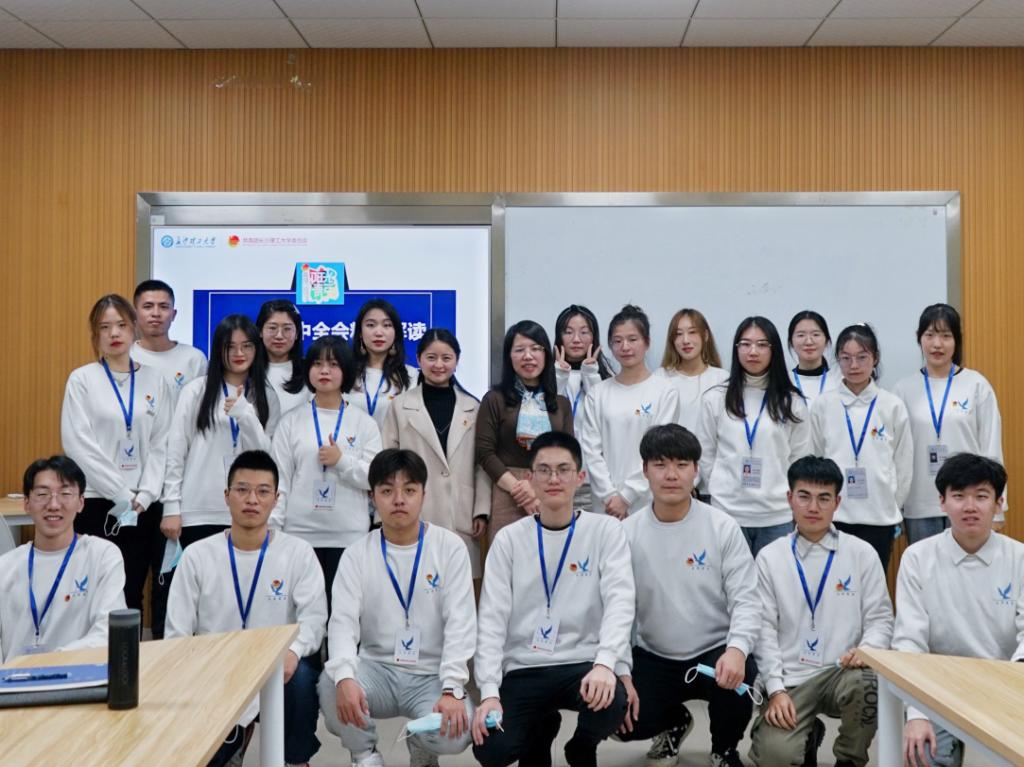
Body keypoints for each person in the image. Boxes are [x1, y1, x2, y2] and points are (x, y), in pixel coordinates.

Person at [473, 431, 634, 767]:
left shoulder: (605, 531)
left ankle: (582, 746)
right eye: (544, 470)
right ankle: (541, 727)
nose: (554, 479)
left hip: (582, 663)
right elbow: (491, 619)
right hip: (524, 666)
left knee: (614, 702)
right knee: (491, 749)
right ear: (530, 478)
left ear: (580, 477)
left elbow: (620, 603)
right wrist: (488, 692)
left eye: (563, 470)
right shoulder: (509, 540)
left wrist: (610, 665)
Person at [166, 449, 326, 767]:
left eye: (263, 491)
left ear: (276, 499)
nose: (252, 499)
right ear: (227, 496)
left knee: (302, 678)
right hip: (215, 668)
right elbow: (177, 632)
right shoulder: (197, 555)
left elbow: (314, 619)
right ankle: (233, 742)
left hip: (275, 666)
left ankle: (295, 760)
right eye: (242, 489)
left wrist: (293, 651)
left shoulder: (298, 553)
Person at [318, 449, 476, 767]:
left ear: (423, 495)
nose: (399, 500)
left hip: (431, 674)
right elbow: (342, 624)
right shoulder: (356, 554)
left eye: (409, 490)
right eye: (387, 491)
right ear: (373, 497)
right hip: (376, 670)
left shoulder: (450, 547)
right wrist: (346, 678)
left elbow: (460, 623)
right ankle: (365, 754)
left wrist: (451, 688)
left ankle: (422, 745)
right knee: (331, 684)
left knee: (456, 731)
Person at [616, 425, 760, 767]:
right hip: (655, 654)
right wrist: (619, 669)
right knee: (613, 712)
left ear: (696, 470)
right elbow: (615, 611)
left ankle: (724, 749)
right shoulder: (625, 533)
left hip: (713, 651)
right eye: (660, 464)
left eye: (682, 465)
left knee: (739, 677)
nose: (671, 475)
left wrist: (737, 650)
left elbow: (747, 600)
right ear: (644, 470)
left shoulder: (722, 526)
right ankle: (673, 723)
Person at [749, 456, 894, 767]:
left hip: (842, 672)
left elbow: (881, 619)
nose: (813, 507)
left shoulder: (861, 553)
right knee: (775, 758)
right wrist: (775, 690)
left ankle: (849, 759)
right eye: (804, 496)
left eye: (824, 498)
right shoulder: (770, 558)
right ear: (790, 498)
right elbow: (763, 630)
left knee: (869, 681)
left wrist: (866, 650)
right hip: (791, 679)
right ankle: (808, 735)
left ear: (837, 502)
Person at [893, 453, 1023, 767]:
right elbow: (909, 642)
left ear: (999, 503)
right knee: (921, 758)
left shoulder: (1019, 559)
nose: (969, 506)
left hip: (1004, 685)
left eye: (981, 496)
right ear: (942, 502)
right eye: (959, 496)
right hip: (939, 689)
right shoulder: (917, 558)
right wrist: (916, 713)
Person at [60, 294, 172, 622]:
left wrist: (146, 494)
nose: (114, 333)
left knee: (133, 591)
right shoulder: (82, 379)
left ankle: (130, 658)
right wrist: (120, 493)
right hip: (98, 502)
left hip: (144, 505)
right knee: (95, 592)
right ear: (95, 334)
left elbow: (162, 442)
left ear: (133, 327)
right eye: (104, 327)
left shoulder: (155, 379)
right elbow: (78, 444)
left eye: (121, 325)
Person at [271, 335, 381, 607]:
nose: (324, 371)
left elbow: (375, 478)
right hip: (299, 534)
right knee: (301, 614)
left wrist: (341, 461)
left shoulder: (364, 423)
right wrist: (274, 528)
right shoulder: (291, 421)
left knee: (344, 612)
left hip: (349, 535)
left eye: (333, 364)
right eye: (317, 364)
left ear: (347, 370)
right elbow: (280, 481)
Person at [162, 314, 280, 550]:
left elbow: (265, 457)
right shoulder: (197, 391)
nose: (239, 353)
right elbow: (176, 451)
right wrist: (171, 506)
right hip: (198, 509)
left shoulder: (266, 396)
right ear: (218, 349)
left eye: (246, 346)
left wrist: (245, 415)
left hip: (248, 509)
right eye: (230, 347)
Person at [697, 316, 812, 556]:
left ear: (774, 350)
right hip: (728, 512)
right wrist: (722, 488)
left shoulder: (792, 402)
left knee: (774, 580)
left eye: (762, 344)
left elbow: (800, 459)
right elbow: (706, 455)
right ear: (736, 349)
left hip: (776, 514)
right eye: (745, 344)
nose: (753, 351)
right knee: (730, 580)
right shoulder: (716, 398)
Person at [892, 304, 1006, 544]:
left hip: (969, 500)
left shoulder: (976, 385)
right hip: (920, 503)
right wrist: (896, 504)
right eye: (930, 335)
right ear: (919, 338)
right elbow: (897, 455)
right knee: (926, 566)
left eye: (946, 336)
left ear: (956, 340)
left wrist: (998, 506)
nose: (937, 344)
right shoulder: (903, 389)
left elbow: (991, 446)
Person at [382, 329, 490, 578]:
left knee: (458, 584)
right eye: (431, 357)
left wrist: (481, 510)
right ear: (419, 360)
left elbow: (481, 464)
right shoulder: (400, 406)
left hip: (462, 513)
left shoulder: (473, 407)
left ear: (457, 361)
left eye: (446, 358)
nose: (439, 365)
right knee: (414, 581)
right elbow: (387, 462)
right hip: (415, 510)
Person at [0, 456, 126, 662]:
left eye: (65, 494)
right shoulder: (5, 567)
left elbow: (109, 631)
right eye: (42, 494)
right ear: (26, 503)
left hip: (79, 673)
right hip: (15, 678)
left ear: (81, 503)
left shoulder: (102, 556)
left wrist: (51, 661)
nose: (54, 504)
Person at [810, 324, 913, 569]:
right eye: (846, 358)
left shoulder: (892, 405)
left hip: (879, 517)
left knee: (874, 585)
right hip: (835, 516)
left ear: (875, 358)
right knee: (835, 583)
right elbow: (813, 458)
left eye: (862, 357)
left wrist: (893, 505)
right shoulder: (824, 405)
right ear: (837, 360)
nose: (854, 365)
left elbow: (903, 463)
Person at [580, 304, 680, 518]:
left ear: (647, 342)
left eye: (632, 339)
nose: (625, 347)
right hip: (605, 505)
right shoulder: (598, 393)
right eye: (617, 341)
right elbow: (591, 451)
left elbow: (659, 450)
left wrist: (626, 497)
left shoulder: (664, 392)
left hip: (648, 501)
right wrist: (610, 497)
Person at [476, 320, 574, 538]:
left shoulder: (561, 403)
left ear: (546, 355)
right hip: (506, 491)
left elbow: (569, 454)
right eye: (519, 350)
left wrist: (539, 486)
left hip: (552, 489)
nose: (528, 356)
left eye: (536, 349)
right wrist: (520, 490)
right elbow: (484, 453)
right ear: (509, 356)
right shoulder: (494, 399)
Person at [553, 305, 613, 513]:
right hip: (556, 477)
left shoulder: (607, 379)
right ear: (559, 337)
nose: (576, 339)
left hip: (594, 479)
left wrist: (590, 374)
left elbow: (605, 416)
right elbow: (548, 416)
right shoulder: (547, 376)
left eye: (584, 332)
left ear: (594, 337)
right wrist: (559, 376)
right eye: (568, 332)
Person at [131, 279, 208, 404]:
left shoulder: (195, 359)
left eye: (163, 307)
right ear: (135, 314)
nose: (156, 313)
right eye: (148, 306)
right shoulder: (125, 357)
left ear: (173, 314)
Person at [655, 308, 729, 434]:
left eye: (692, 332)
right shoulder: (661, 377)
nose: (685, 340)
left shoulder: (722, 379)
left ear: (705, 335)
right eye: (678, 334)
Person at [347, 299, 418, 428]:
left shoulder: (411, 376)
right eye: (370, 325)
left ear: (396, 333)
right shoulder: (345, 373)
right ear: (360, 333)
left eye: (387, 325)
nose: (378, 333)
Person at [257, 299, 310, 416]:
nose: (279, 336)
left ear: (297, 334)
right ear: (260, 331)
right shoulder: (248, 370)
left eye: (287, 329)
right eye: (272, 328)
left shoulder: (310, 371)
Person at [788, 311, 838, 408]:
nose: (809, 342)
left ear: (827, 340)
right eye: (801, 335)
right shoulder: (784, 381)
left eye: (815, 335)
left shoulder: (838, 380)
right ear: (791, 342)